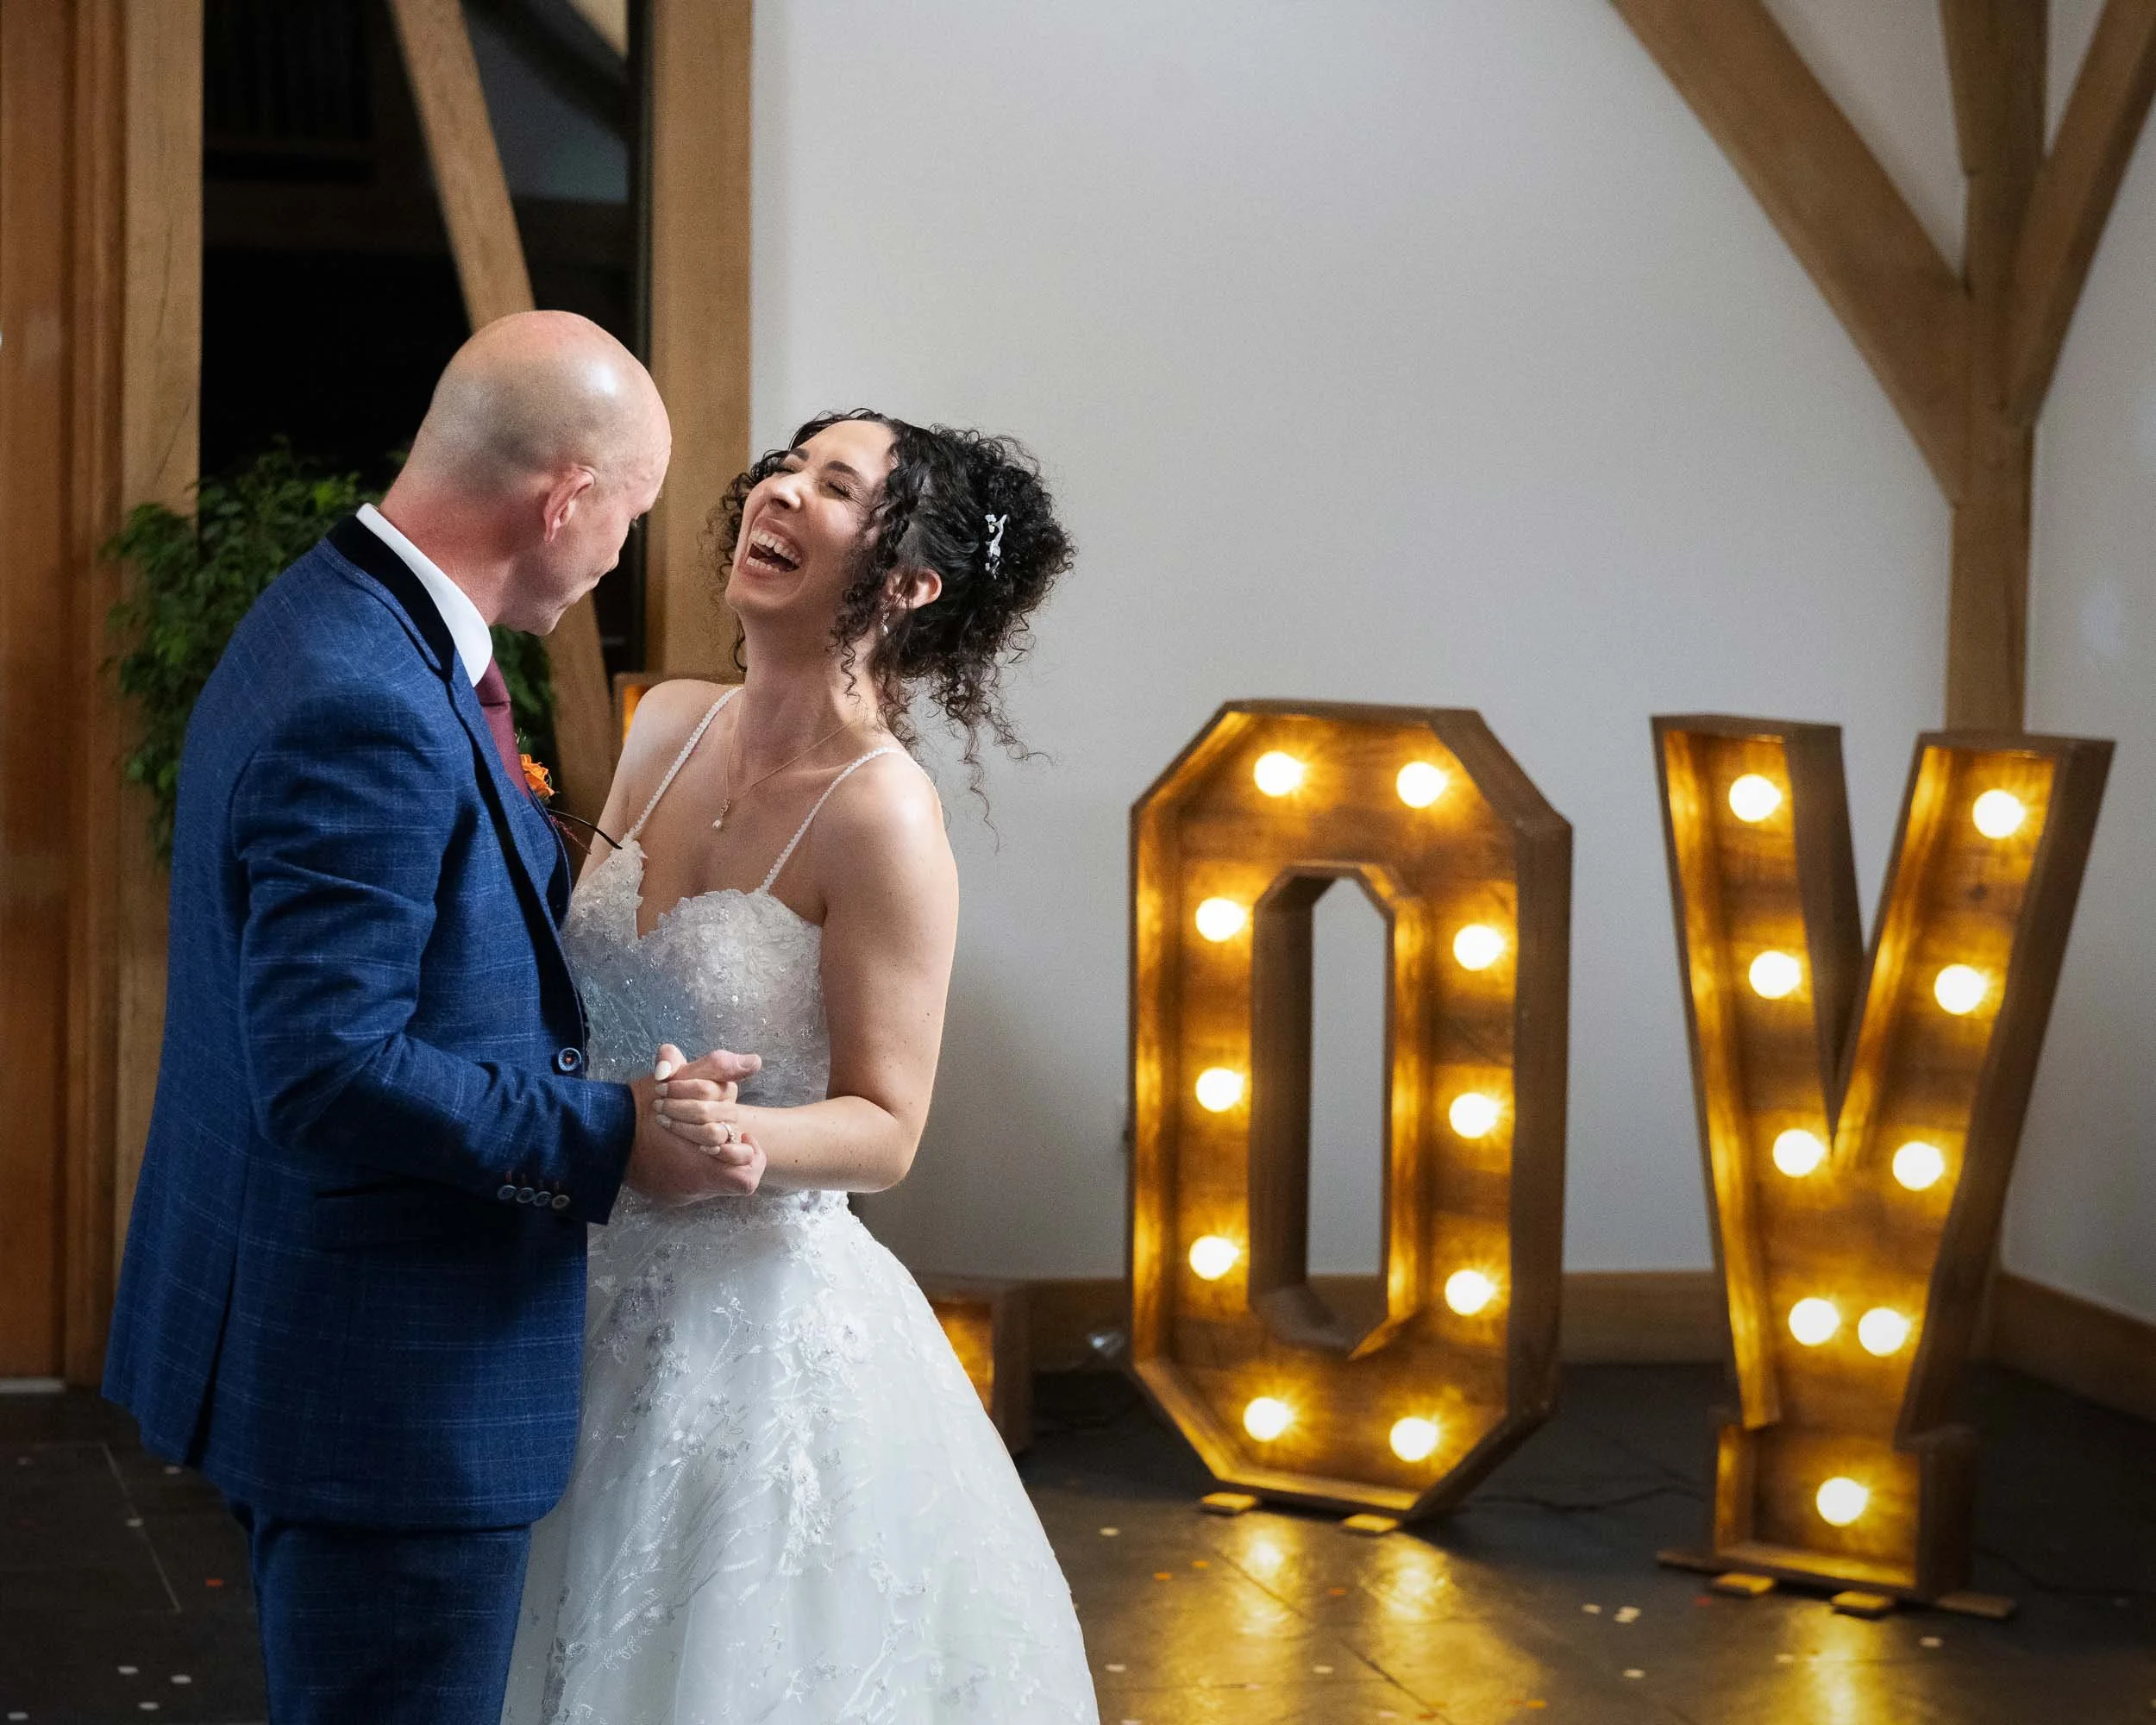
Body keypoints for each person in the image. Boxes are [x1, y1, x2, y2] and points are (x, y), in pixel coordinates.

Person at [103, 311, 768, 1725]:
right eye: (632, 512)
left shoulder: (335, 613)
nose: (621, 554)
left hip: (323, 1336)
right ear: (565, 499)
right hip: (388, 1388)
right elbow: (330, 1068)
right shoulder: (370, 699)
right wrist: (613, 1138)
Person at [501, 410, 1098, 1722]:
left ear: (908, 584)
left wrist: (742, 1137)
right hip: (575, 1272)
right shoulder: (666, 724)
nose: (779, 491)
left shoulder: (882, 813)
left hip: (748, 1321)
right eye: (784, 465)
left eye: (834, 486)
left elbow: (887, 1126)